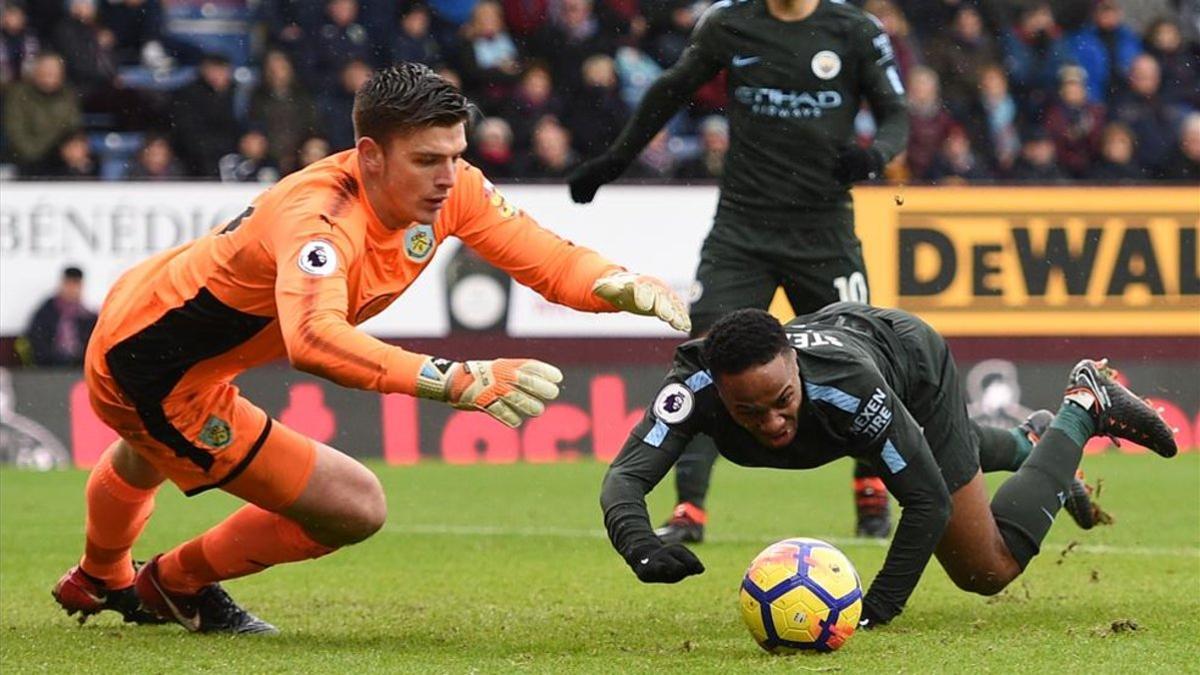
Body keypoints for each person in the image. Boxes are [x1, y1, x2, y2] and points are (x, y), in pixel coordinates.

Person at [51, 63, 690, 635]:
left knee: (145, 456)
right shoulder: (321, 219)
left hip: (153, 304)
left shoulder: (452, 186)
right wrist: (457, 380)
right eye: (428, 160)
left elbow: (543, 257)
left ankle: (100, 574)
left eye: (456, 154)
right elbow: (314, 339)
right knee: (354, 507)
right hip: (151, 372)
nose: (450, 177)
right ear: (370, 155)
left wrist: (616, 284)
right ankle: (172, 582)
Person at [600, 306, 1176, 628]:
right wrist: (639, 544)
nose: (773, 422)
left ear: (794, 365)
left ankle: (1084, 405)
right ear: (719, 393)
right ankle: (1032, 444)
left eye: (783, 400)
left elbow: (928, 501)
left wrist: (872, 612)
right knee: (915, 452)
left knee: (986, 569)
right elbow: (626, 476)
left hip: (910, 364)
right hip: (857, 372)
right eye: (749, 411)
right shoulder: (691, 388)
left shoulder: (849, 390)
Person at [568, 0, 910, 543]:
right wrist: (614, 160)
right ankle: (689, 512)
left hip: (824, 231)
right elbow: (669, 90)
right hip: (741, 230)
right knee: (705, 357)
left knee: (860, 359)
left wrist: (876, 155)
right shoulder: (730, 22)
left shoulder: (855, 30)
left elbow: (896, 110)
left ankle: (871, 493)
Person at [23, 266, 97, 367]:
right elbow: (37, 341)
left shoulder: (87, 316)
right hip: (49, 367)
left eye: (76, 285)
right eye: (69, 284)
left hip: (78, 367)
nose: (72, 289)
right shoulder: (46, 313)